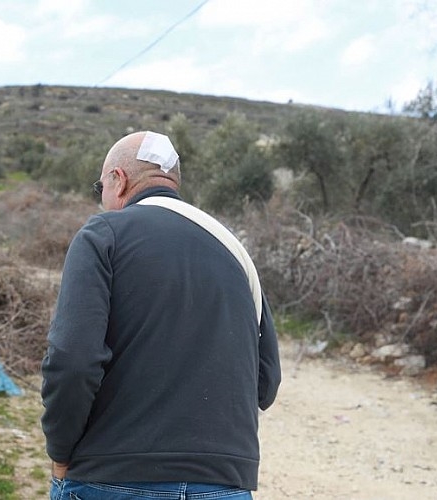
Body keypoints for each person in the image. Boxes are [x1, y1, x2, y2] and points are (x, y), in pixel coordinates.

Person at [40, 130, 281, 500]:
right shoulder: (234, 250)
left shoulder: (103, 235)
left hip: (112, 478)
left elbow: (72, 360)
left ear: (118, 181)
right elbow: (266, 384)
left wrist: (60, 450)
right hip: (224, 484)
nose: (101, 199)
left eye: (99, 188)